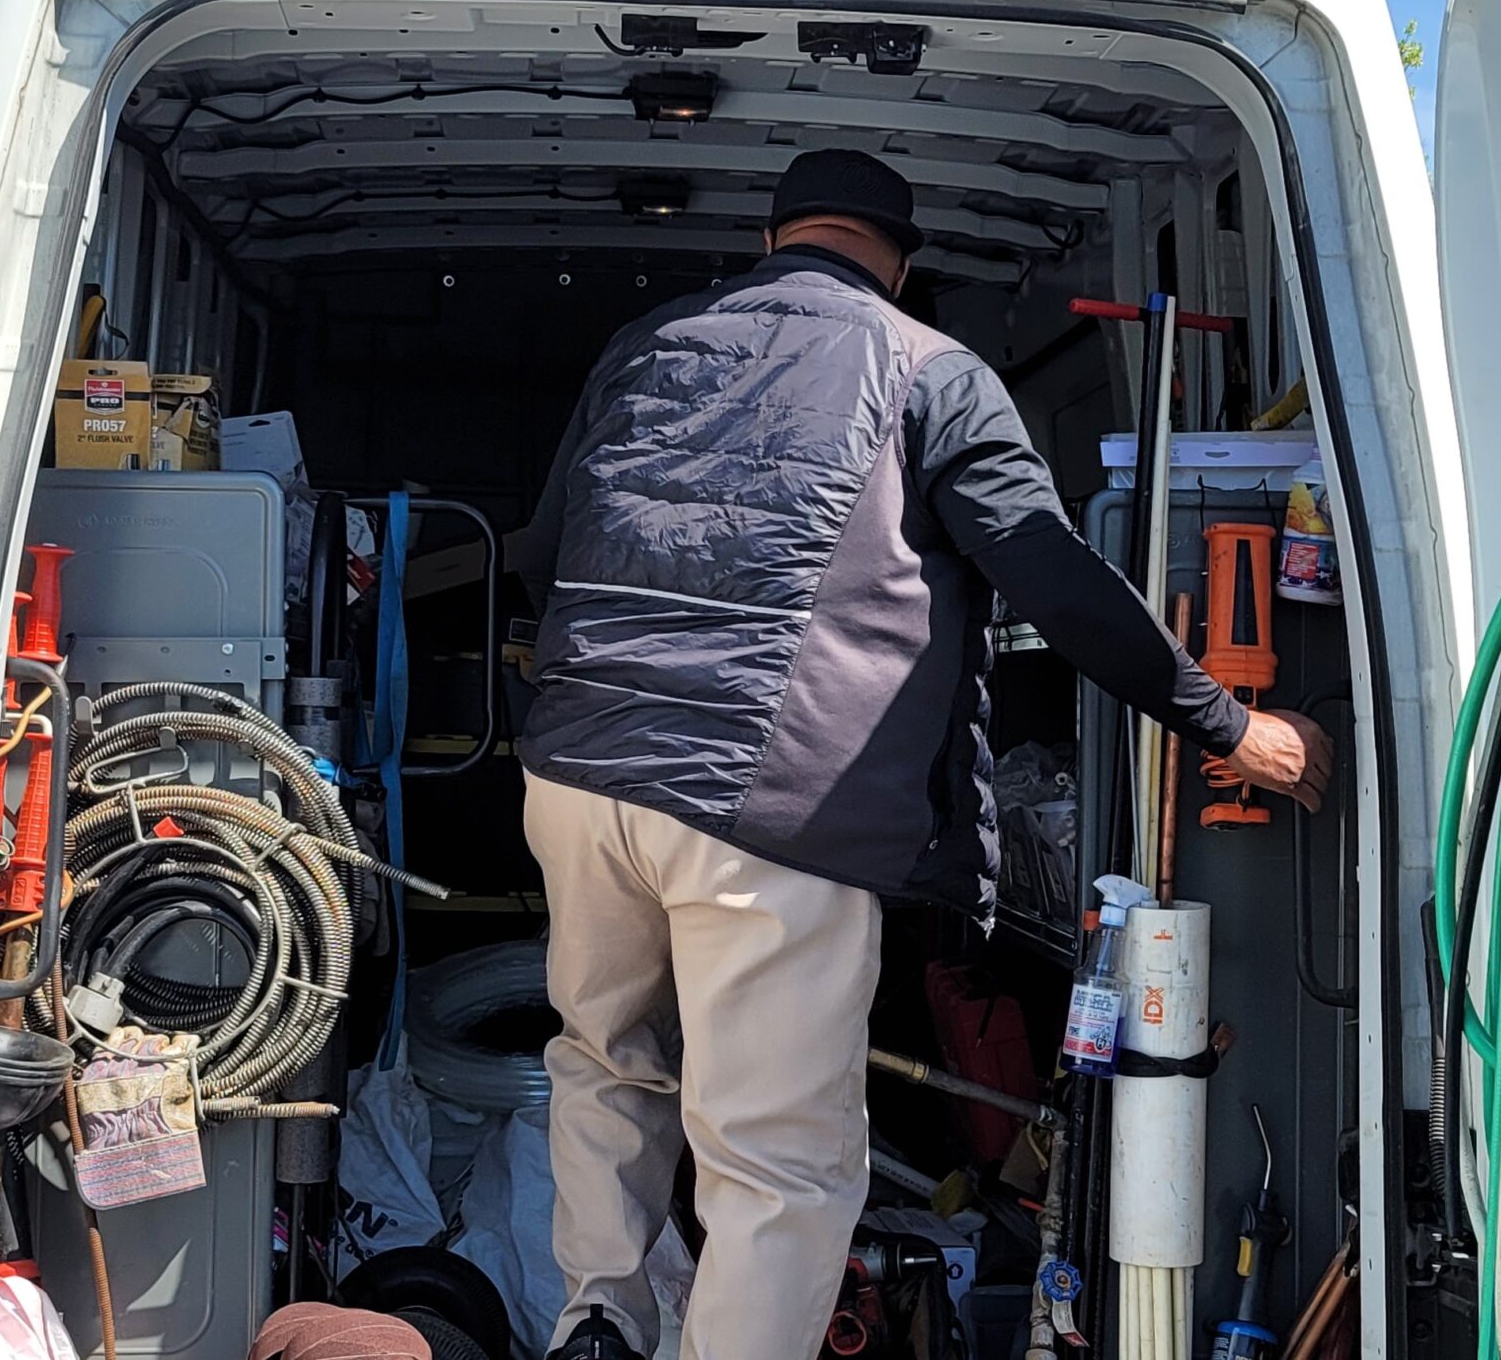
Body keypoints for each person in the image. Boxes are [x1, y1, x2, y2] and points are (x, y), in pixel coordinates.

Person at [512, 147, 1332, 1360]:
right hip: (764, 807)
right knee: (775, 1160)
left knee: (604, 1058)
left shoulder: (648, 346)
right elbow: (1050, 571)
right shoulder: (931, 367)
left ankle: (600, 1322)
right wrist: (1229, 720)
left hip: (576, 776)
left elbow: (544, 553)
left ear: (775, 235)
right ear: (901, 260)